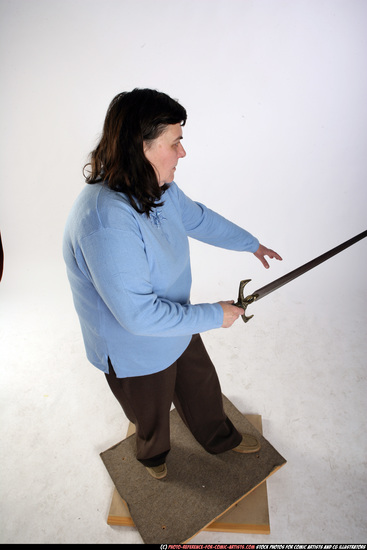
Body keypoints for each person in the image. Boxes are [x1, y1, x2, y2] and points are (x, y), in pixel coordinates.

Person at [63, 88, 282, 480]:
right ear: (141, 147)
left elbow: (196, 218)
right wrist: (215, 315)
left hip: (176, 320)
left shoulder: (156, 186)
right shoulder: (105, 222)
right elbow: (139, 317)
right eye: (175, 142)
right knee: (150, 412)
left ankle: (219, 437)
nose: (183, 153)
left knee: (199, 383)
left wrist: (250, 244)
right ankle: (153, 456)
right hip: (134, 344)